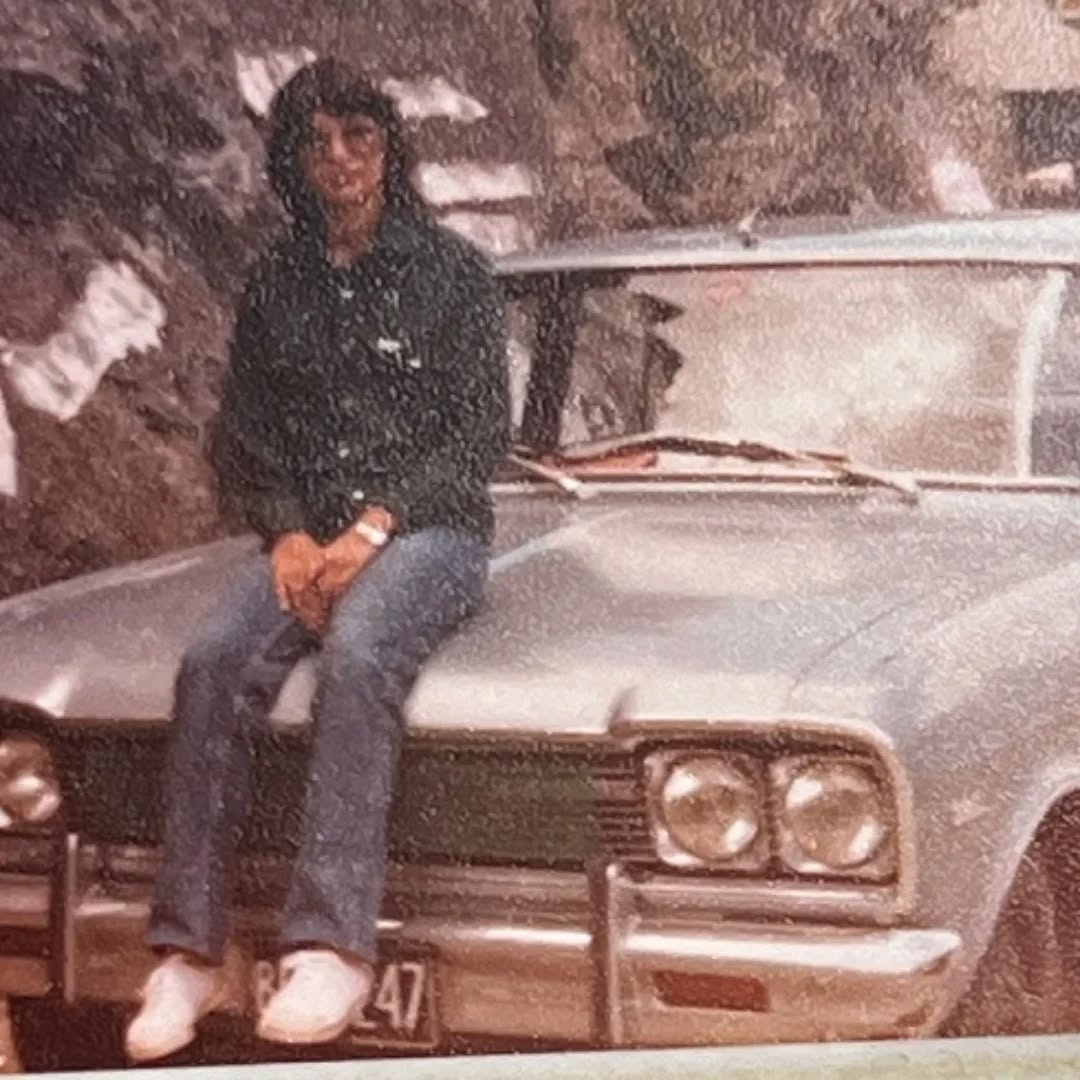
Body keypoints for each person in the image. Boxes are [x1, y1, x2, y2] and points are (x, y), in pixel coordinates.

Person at [124, 58, 512, 1062]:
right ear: (292, 160)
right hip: (308, 536)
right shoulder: (275, 283)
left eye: (359, 136)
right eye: (316, 141)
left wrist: (372, 531)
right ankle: (188, 952)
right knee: (213, 660)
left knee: (360, 653)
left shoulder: (454, 275)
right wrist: (291, 533)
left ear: (390, 147)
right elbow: (247, 436)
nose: (339, 157)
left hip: (429, 533)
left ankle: (331, 947)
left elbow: (478, 436)